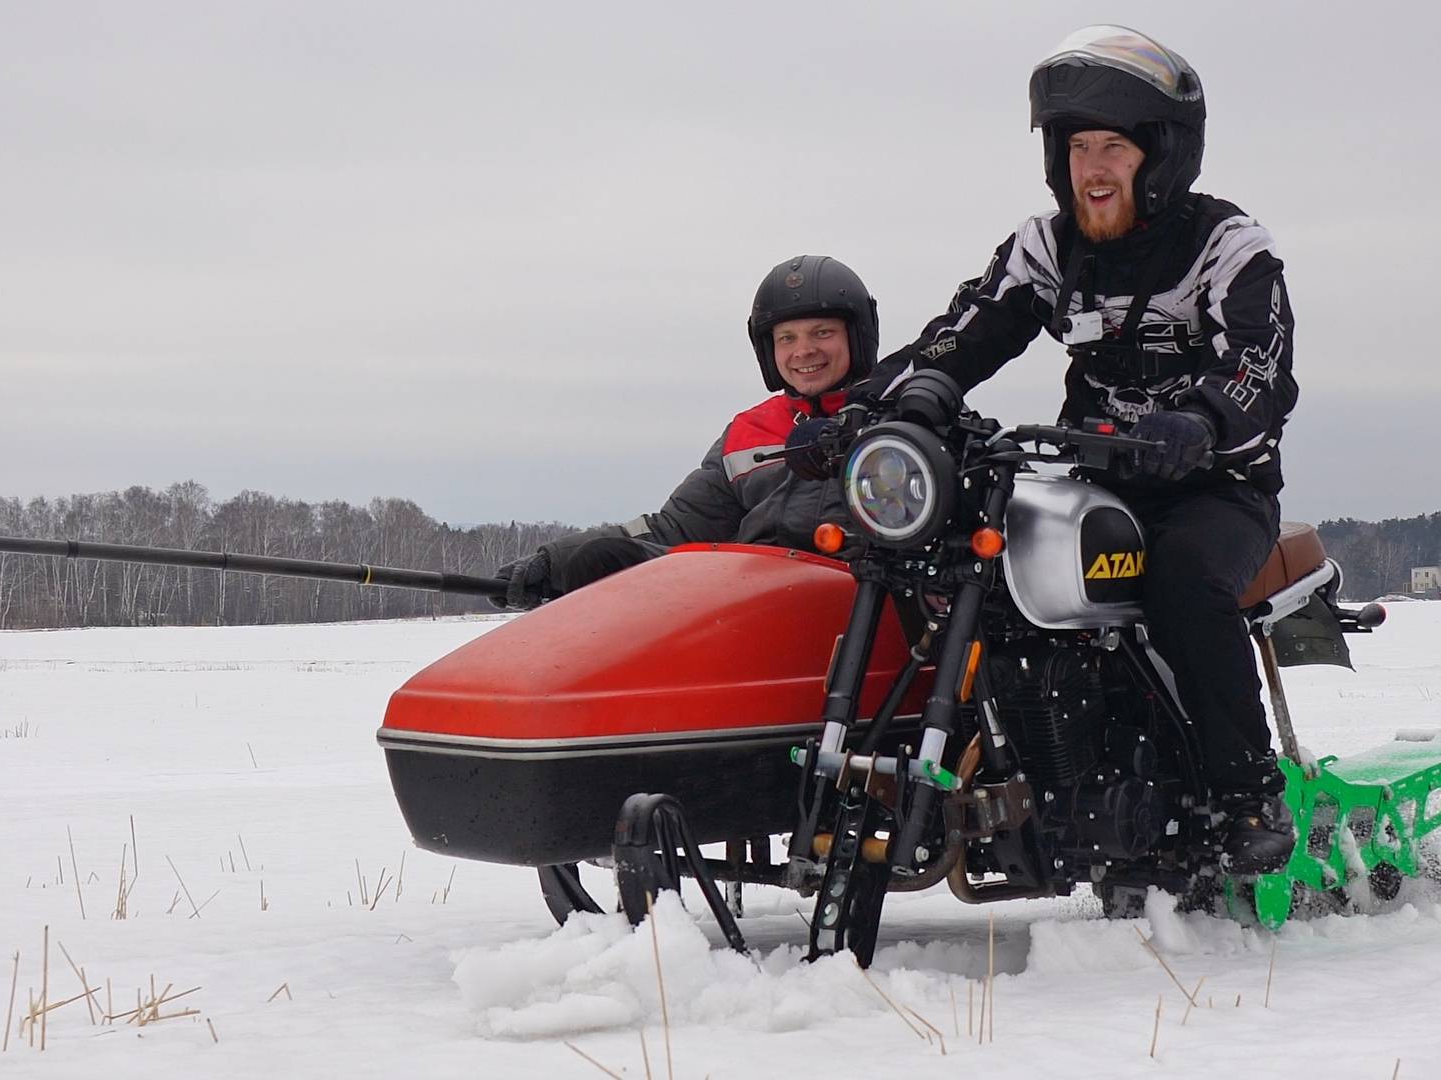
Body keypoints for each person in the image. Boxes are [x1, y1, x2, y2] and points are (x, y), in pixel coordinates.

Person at [857, 25, 1299, 871]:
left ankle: (1248, 795)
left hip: (1215, 487)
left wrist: (1201, 421)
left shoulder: (1227, 246)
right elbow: (963, 333)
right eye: (1077, 148)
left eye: (1114, 148)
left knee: (1184, 578)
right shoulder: (1049, 245)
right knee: (977, 575)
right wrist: (879, 404)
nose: (1092, 169)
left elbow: (1260, 367)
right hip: (1098, 482)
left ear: (1161, 156)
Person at [491, 255, 877, 609]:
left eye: (822, 332)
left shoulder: (893, 420)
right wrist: (553, 563)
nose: (803, 350)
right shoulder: (747, 433)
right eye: (786, 338)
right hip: (755, 604)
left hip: (860, 604)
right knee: (602, 560)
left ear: (857, 335)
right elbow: (674, 527)